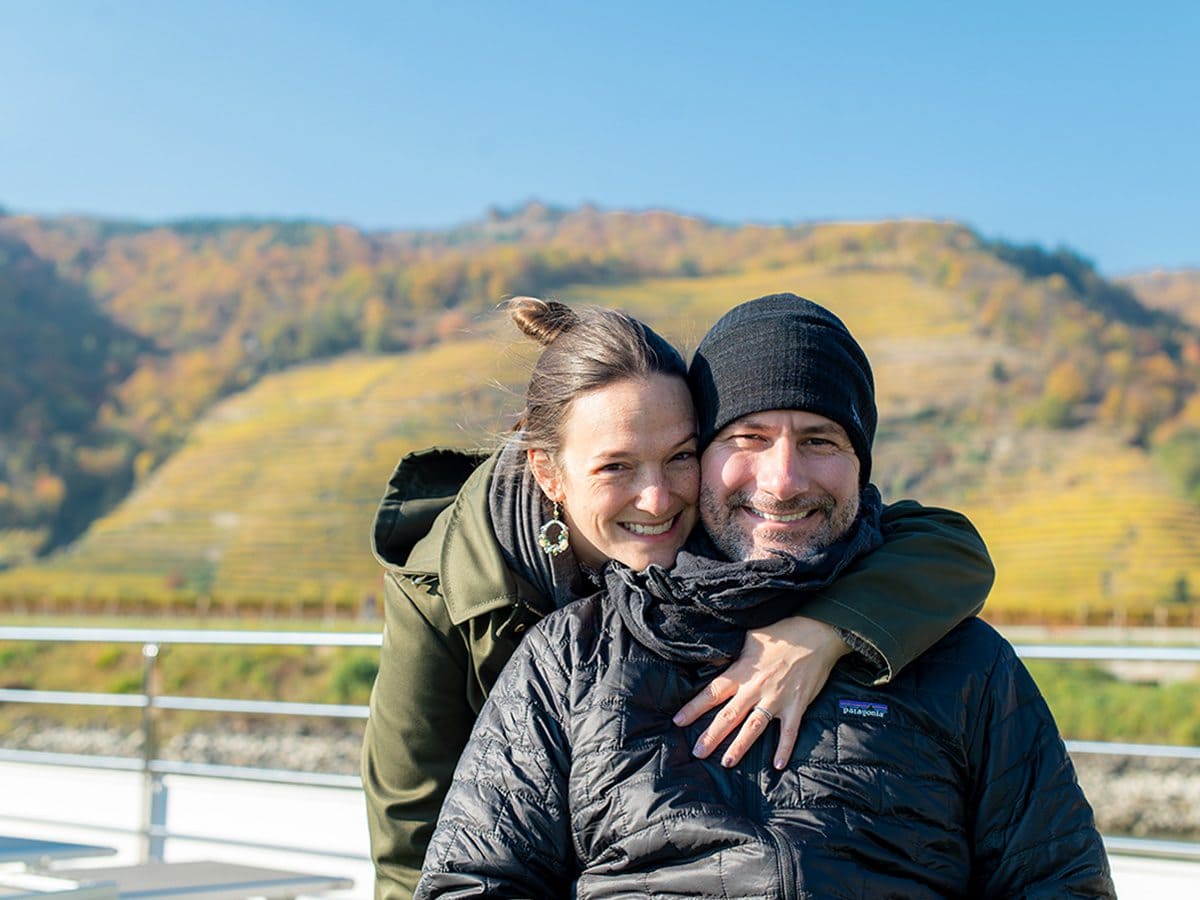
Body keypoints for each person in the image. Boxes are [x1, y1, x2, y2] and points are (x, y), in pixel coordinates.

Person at [414, 293, 1114, 898]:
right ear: (703, 455)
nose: (783, 480)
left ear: (862, 463)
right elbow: (475, 882)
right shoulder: (570, 659)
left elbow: (1059, 882)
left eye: (819, 440)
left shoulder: (964, 664)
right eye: (748, 437)